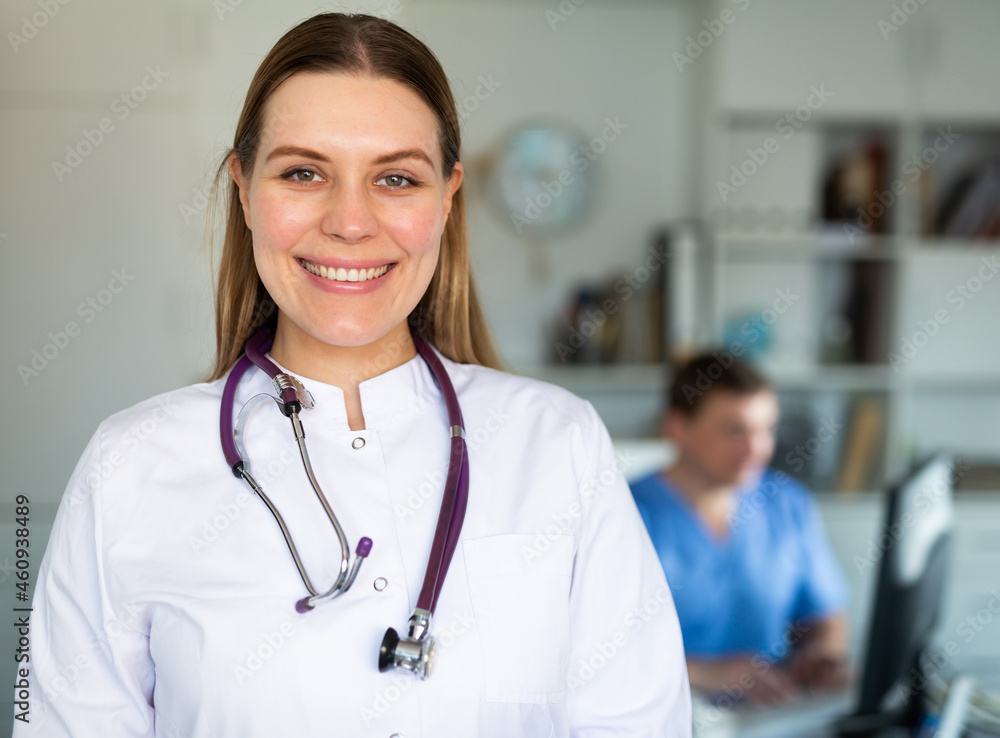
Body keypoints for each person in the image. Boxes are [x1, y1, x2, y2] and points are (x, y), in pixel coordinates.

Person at [14, 12, 690, 737]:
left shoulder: (557, 444)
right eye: (304, 172)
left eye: (396, 178)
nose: (350, 221)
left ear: (445, 198)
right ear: (244, 189)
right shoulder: (130, 468)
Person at [630, 352, 850, 706]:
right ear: (678, 427)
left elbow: (826, 618)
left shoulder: (788, 504)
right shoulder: (629, 516)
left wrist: (821, 657)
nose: (757, 449)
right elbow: (601, 657)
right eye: (736, 431)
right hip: (669, 716)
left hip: (771, 715)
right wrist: (709, 674)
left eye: (767, 430)